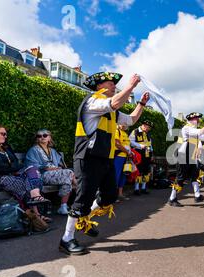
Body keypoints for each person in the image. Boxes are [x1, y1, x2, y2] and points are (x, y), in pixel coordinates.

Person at [59, 72, 149, 255]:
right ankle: (66, 239)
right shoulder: (93, 102)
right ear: (100, 87)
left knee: (110, 196)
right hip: (87, 158)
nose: (114, 86)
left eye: (115, 84)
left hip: (105, 159)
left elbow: (131, 120)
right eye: (110, 83)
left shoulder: (112, 111)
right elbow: (114, 102)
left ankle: (84, 220)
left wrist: (141, 104)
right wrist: (130, 87)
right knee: (83, 199)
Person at [0, 124, 50, 230]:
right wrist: (13, 168)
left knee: (32, 169)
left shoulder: (6, 147)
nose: (5, 136)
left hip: (15, 175)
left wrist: (13, 168)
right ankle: (37, 213)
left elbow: (16, 162)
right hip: (3, 179)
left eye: (6, 134)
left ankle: (35, 197)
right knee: (28, 184)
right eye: (3, 134)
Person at [167, 113, 204, 207]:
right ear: (190, 120)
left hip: (191, 156)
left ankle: (197, 196)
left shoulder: (193, 130)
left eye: (198, 119)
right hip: (183, 155)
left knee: (195, 175)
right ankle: (172, 198)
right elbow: (199, 133)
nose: (198, 121)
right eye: (196, 119)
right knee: (180, 178)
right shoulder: (186, 128)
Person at [26, 129, 76, 215]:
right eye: (39, 136)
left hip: (56, 174)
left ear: (49, 138)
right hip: (42, 175)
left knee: (68, 178)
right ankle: (80, 195)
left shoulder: (52, 151)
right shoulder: (33, 150)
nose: (42, 137)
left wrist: (58, 168)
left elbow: (60, 164)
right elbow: (30, 166)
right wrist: (45, 168)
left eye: (45, 135)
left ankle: (63, 206)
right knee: (69, 174)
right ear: (37, 138)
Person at [129, 120, 154, 195]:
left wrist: (152, 154)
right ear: (142, 125)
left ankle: (143, 188)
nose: (147, 128)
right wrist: (140, 146)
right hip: (139, 153)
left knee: (146, 171)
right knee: (138, 171)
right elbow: (130, 141)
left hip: (147, 154)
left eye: (149, 127)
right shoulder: (135, 131)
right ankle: (136, 189)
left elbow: (150, 145)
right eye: (146, 126)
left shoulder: (148, 134)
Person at [114, 124, 133, 202]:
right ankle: (113, 196)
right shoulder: (116, 131)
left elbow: (127, 145)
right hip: (118, 157)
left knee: (123, 175)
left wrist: (130, 152)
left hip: (126, 157)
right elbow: (117, 144)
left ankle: (120, 194)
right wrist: (127, 152)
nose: (125, 125)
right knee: (116, 176)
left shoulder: (125, 133)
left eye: (126, 124)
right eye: (123, 123)